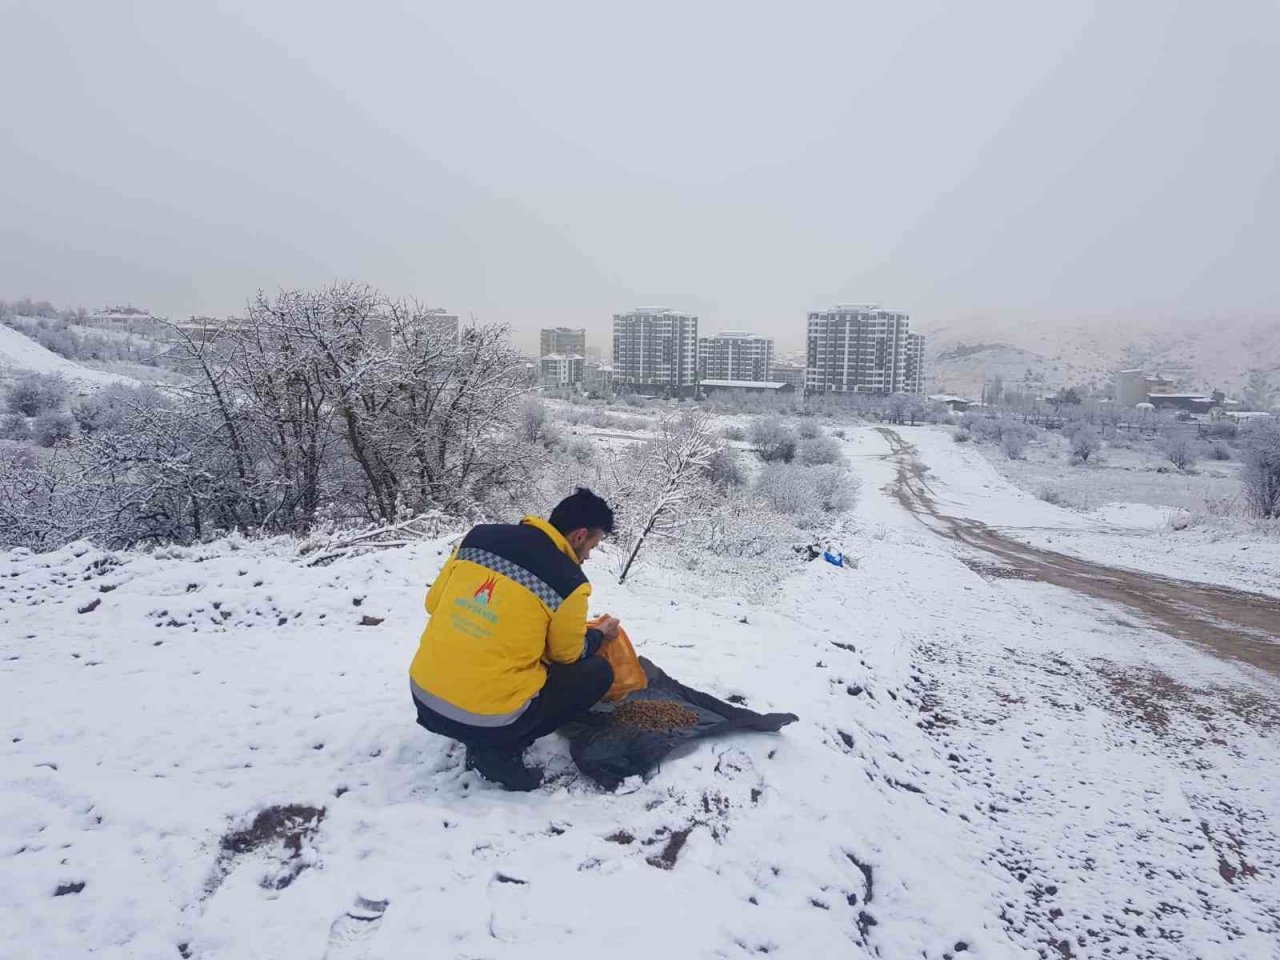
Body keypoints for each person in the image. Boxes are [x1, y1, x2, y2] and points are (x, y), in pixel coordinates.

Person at [409, 488, 620, 791]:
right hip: (490, 721)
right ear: (579, 535)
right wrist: (598, 635)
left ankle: (486, 731)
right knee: (597, 673)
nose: (587, 555)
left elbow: (433, 604)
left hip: (425, 698)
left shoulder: (478, 538)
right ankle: (500, 750)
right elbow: (566, 655)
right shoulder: (569, 582)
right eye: (592, 545)